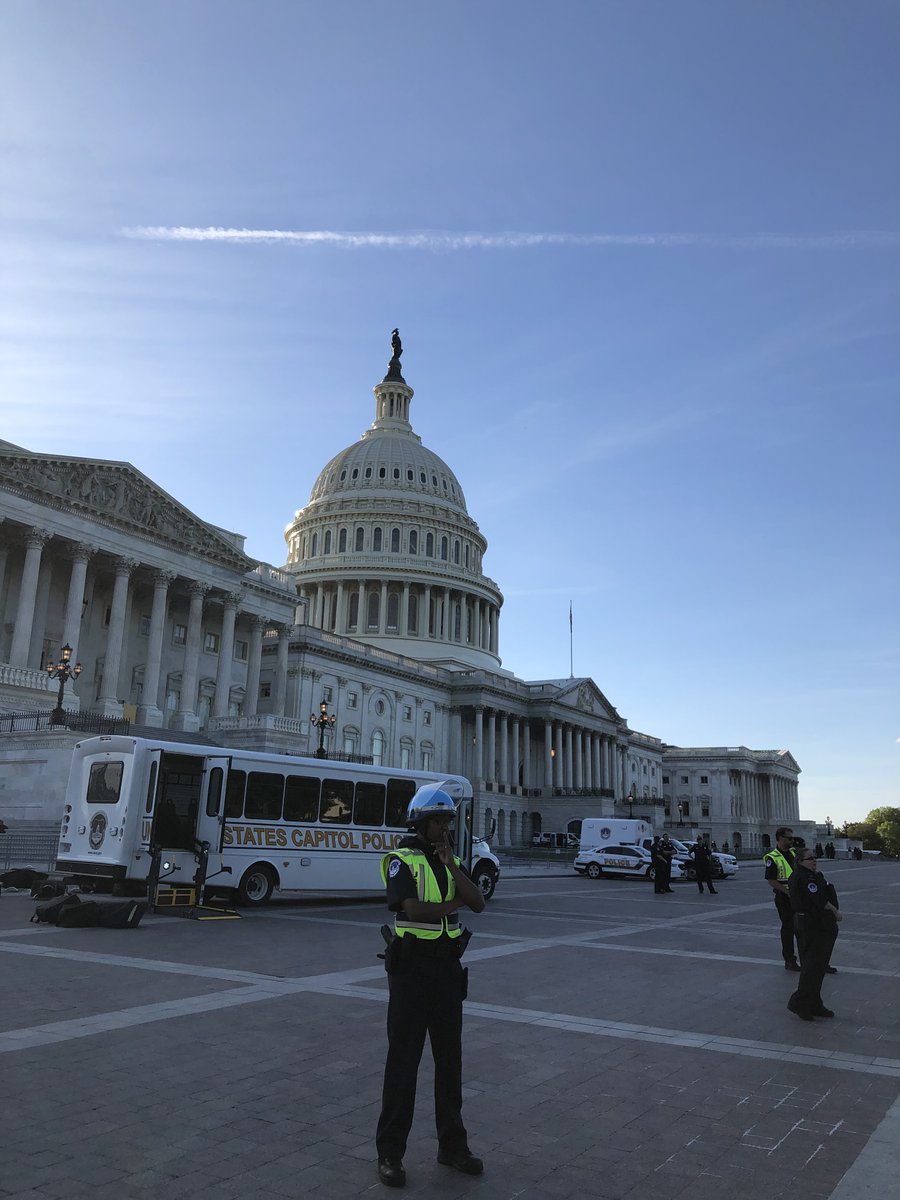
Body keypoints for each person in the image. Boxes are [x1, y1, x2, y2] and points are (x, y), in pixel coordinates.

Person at [375, 783, 485, 1188]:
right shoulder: (399, 860)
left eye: (448, 822)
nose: (446, 829)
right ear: (423, 822)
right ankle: (390, 1153)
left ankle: (452, 1147)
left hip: (446, 971)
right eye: (440, 821)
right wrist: (454, 902)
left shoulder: (447, 859)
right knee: (402, 1064)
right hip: (411, 972)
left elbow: (479, 902)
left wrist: (452, 866)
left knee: (449, 1062)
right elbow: (414, 910)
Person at [787, 848, 842, 1020]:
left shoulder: (806, 875)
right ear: (800, 861)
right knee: (813, 967)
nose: (814, 860)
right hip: (813, 924)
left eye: (815, 857)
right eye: (810, 858)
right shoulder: (806, 877)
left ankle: (814, 1003)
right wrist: (835, 912)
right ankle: (800, 1002)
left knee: (816, 967)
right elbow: (819, 900)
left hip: (808, 922)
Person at [764, 827, 800, 971]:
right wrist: (787, 892)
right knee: (788, 928)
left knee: (802, 927)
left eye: (792, 838)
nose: (792, 840)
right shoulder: (772, 857)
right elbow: (772, 880)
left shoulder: (793, 853)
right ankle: (789, 960)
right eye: (789, 838)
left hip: (797, 895)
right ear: (780, 838)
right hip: (784, 898)